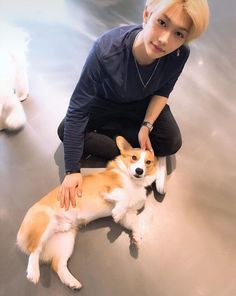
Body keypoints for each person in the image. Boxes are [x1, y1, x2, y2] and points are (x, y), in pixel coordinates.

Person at [57, 0, 209, 210]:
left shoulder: (179, 54)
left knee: (172, 141)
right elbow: (78, 108)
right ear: (147, 15)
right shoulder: (106, 50)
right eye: (162, 23)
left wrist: (146, 126)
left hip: (142, 104)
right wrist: (72, 170)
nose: (164, 39)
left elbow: (163, 91)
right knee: (66, 131)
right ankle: (145, 160)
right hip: (105, 102)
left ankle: (137, 155)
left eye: (179, 34)